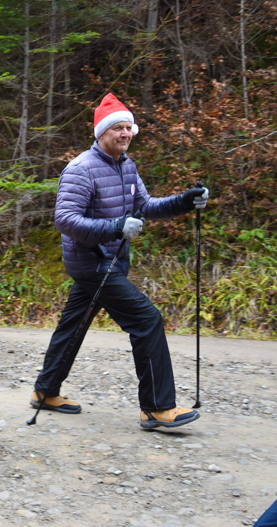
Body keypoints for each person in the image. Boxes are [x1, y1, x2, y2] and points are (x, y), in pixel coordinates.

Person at [30, 93, 210, 429]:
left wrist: (185, 202)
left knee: (74, 326)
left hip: (112, 261)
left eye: (129, 127)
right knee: (147, 320)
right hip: (92, 263)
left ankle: (45, 391)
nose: (125, 133)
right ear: (101, 133)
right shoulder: (81, 169)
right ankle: (156, 408)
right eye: (118, 128)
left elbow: (146, 206)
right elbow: (65, 220)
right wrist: (114, 227)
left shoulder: (127, 165)